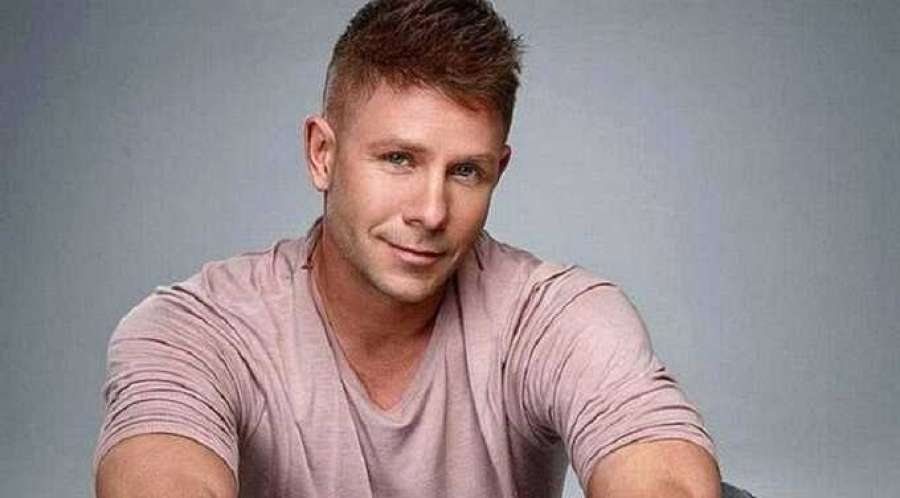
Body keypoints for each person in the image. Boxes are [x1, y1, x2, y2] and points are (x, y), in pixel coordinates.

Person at [93, 1, 724, 497]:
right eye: (399, 159)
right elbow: (161, 475)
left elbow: (660, 473)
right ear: (322, 154)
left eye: (466, 171)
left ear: (499, 171)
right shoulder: (196, 330)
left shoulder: (551, 317)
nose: (431, 212)